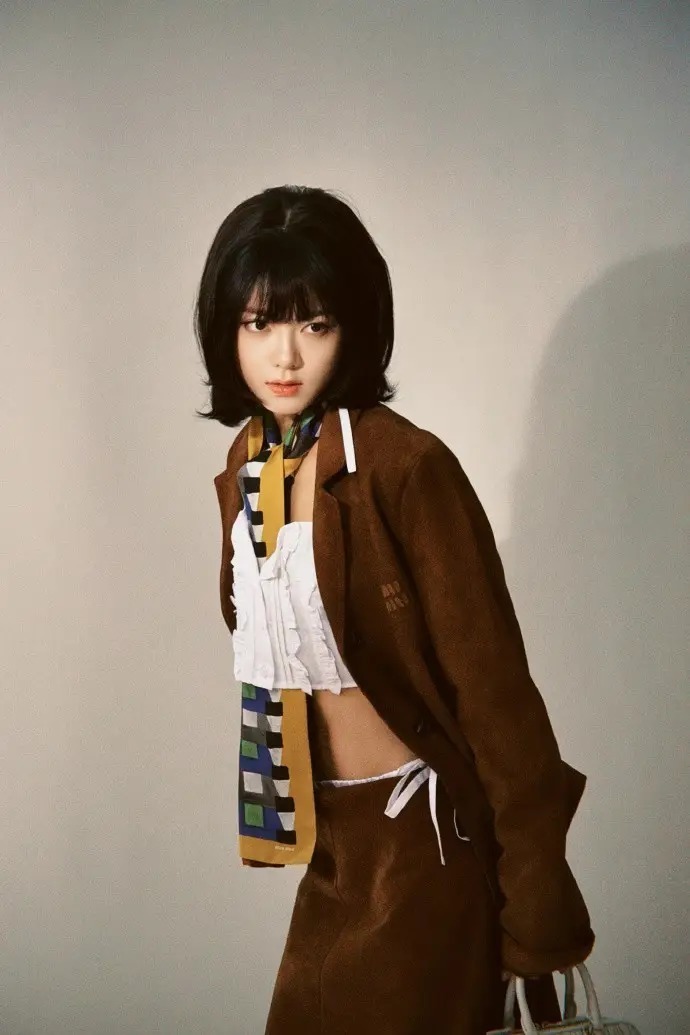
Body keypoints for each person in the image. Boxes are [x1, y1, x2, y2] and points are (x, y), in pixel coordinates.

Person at [195, 185, 594, 1035]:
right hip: (331, 841)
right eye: (260, 324)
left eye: (315, 324)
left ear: (355, 327)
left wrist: (537, 915)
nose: (285, 354)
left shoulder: (406, 469)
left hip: (426, 844)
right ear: (226, 330)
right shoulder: (248, 465)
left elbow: (499, 701)